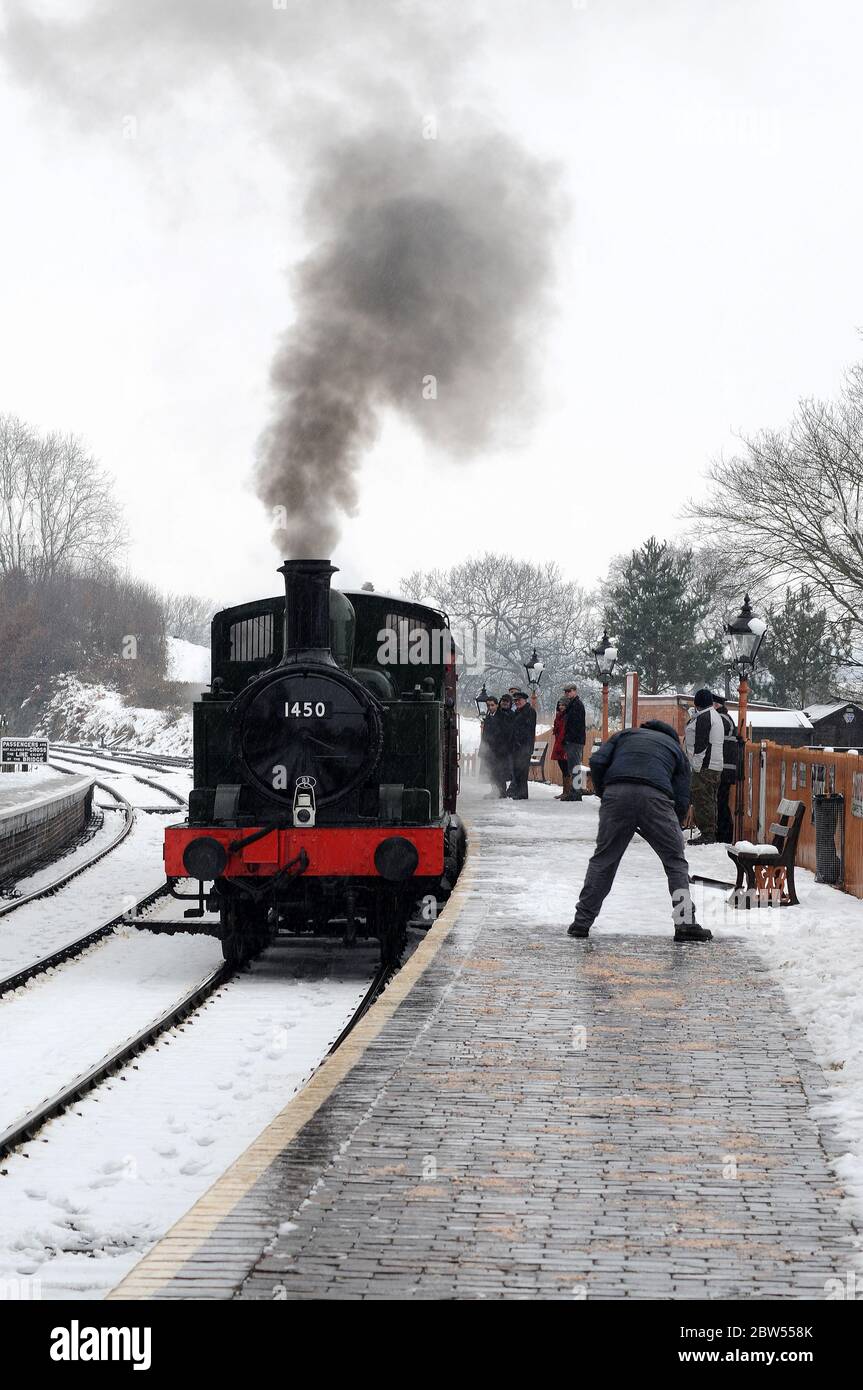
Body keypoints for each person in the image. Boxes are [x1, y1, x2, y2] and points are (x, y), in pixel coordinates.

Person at [567, 720, 711, 942]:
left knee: (604, 860)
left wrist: (604, 791)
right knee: (675, 863)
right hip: (656, 798)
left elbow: (596, 760)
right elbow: (683, 796)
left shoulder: (623, 735)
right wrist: (676, 823)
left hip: (616, 793)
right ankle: (685, 924)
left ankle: (581, 922)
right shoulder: (675, 749)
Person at [684, 687, 726, 845]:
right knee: (710, 799)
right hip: (714, 765)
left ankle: (707, 834)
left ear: (698, 703)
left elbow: (701, 744)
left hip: (705, 766)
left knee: (703, 799)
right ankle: (709, 832)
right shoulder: (713, 716)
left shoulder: (704, 717)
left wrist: (696, 765)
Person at [713, 695, 739, 844]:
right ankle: (723, 835)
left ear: (716, 705)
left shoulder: (721, 719)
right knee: (720, 802)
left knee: (721, 803)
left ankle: (724, 836)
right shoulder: (724, 718)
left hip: (723, 769)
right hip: (724, 769)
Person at [507, 690, 537, 799]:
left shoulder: (530, 711)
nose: (517, 702)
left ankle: (522, 793)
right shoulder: (517, 712)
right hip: (516, 746)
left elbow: (528, 729)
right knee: (516, 770)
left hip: (524, 746)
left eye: (519, 700)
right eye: (515, 701)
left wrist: (520, 741)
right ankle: (517, 791)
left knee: (522, 771)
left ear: (524, 700)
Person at [482, 696, 512, 798]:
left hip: (500, 749)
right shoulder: (488, 717)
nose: (490, 707)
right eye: (488, 705)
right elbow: (485, 734)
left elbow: (506, 733)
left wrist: (501, 746)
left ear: (496, 705)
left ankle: (502, 791)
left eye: (492, 705)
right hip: (489, 749)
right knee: (491, 771)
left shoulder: (502, 716)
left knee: (500, 771)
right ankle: (494, 790)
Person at [562, 682, 586, 802]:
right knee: (573, 766)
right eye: (566, 692)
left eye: (569, 691)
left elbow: (575, 725)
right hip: (573, 740)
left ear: (575, 691)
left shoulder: (577, 705)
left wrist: (569, 738)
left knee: (575, 766)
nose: (567, 693)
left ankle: (576, 792)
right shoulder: (572, 704)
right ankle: (574, 790)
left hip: (575, 740)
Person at [551, 699, 570, 799]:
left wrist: (563, 743)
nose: (561, 707)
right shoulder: (559, 717)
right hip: (559, 743)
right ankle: (565, 791)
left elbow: (564, 731)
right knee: (563, 767)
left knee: (566, 768)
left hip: (563, 744)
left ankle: (567, 792)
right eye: (560, 705)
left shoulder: (566, 717)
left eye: (563, 705)